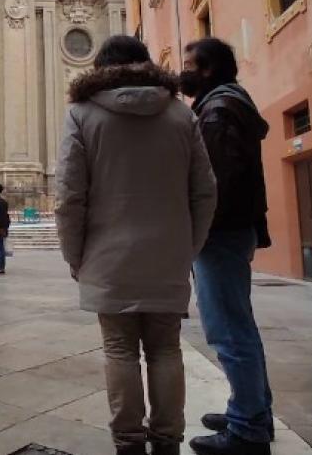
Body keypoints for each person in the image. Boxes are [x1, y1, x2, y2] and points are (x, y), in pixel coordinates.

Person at [56, 35, 217, 455]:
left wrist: (75, 255)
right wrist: (188, 247)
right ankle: (167, 442)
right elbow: (205, 191)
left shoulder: (81, 115)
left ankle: (128, 443)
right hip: (168, 255)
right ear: (145, 64)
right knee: (166, 349)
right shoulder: (182, 115)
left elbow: (70, 196)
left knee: (119, 350)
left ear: (100, 69)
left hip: (106, 257)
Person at [180, 38, 274, 455]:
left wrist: (197, 231)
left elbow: (214, 184)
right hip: (232, 230)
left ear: (209, 70)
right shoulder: (226, 103)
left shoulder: (216, 113)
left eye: (189, 65)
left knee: (228, 331)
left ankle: (248, 429)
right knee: (238, 327)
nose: (182, 71)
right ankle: (251, 409)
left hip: (219, 234)